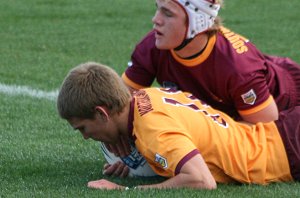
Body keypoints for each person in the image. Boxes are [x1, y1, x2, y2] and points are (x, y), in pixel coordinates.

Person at [57, 62, 299, 190]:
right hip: (283, 132)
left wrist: (125, 192)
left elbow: (201, 181)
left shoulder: (152, 129)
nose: (86, 137)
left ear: (102, 113)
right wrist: (135, 160)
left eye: (82, 128)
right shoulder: (146, 97)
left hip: (289, 150)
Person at [122, 0, 300, 124]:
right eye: (158, 8)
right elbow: (121, 103)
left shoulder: (237, 68)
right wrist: (129, 144)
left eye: (167, 13)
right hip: (257, 77)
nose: (156, 19)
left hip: (284, 100)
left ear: (198, 23)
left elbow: (265, 128)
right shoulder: (151, 47)